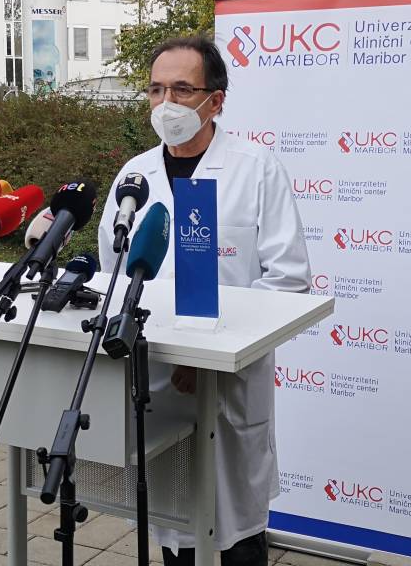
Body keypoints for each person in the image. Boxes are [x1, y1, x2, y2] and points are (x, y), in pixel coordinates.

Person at [97, 36, 311, 566]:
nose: (165, 103)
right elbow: (113, 274)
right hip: (156, 381)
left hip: (226, 383)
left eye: (182, 89)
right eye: (156, 89)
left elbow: (287, 279)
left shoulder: (256, 168)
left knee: (236, 537)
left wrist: (208, 355)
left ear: (215, 100)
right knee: (175, 532)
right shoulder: (134, 178)